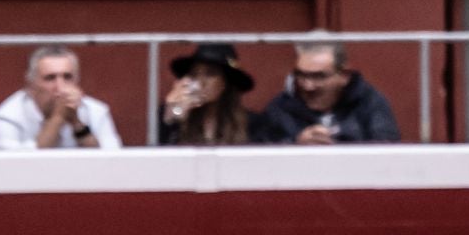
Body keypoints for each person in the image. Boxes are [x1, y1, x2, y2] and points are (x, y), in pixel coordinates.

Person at [250, 41, 400, 146]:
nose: (308, 86)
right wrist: (295, 145)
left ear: (344, 76)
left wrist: (341, 146)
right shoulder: (280, 109)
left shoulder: (370, 104)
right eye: (301, 75)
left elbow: (388, 154)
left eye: (318, 76)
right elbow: (259, 158)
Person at [0, 46, 122, 150]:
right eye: (50, 78)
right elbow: (18, 169)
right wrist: (57, 119)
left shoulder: (96, 111)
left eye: (67, 77)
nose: (60, 87)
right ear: (30, 85)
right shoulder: (7, 118)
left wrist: (76, 123)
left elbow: (112, 161)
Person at [156, 42, 252, 146]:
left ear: (226, 82)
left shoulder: (250, 123)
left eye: (210, 74)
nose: (200, 82)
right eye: (194, 74)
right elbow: (159, 149)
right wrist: (175, 112)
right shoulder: (173, 117)